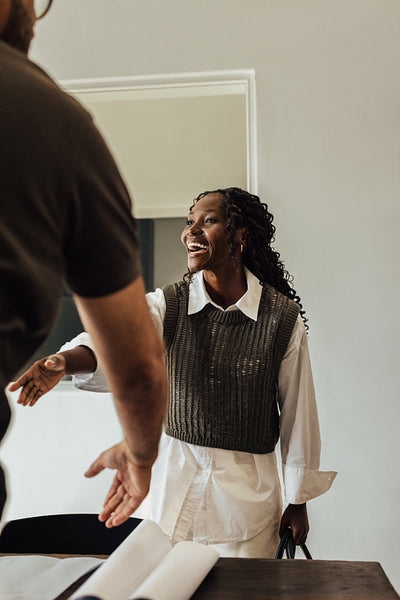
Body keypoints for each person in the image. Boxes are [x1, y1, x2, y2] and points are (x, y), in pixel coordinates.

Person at [12, 187, 337, 557]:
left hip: (247, 508)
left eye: (208, 221)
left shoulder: (281, 320)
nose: (190, 232)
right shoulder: (169, 304)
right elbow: (120, 338)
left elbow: (299, 414)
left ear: (241, 235)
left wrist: (298, 501)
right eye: (189, 223)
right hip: (172, 489)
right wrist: (66, 361)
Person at [0, 0, 167, 527]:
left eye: (207, 222)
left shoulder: (280, 317)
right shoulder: (48, 118)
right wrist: (140, 455)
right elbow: (135, 361)